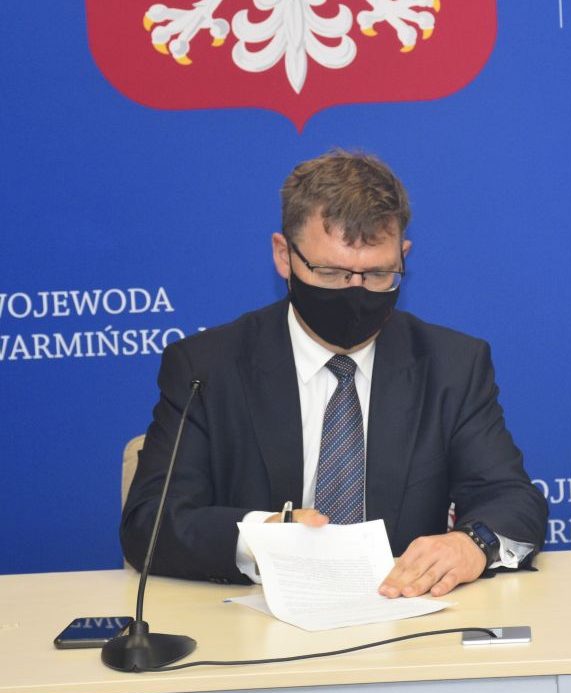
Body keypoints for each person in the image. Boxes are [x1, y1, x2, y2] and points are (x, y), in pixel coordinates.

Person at [122, 150, 547, 600]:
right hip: (251, 621)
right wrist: (260, 536)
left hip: (404, 614)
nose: (354, 293)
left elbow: (513, 499)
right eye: (329, 272)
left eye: (378, 274)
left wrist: (470, 544)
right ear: (284, 256)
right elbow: (150, 522)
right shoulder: (206, 368)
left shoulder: (451, 366)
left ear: (403, 257)